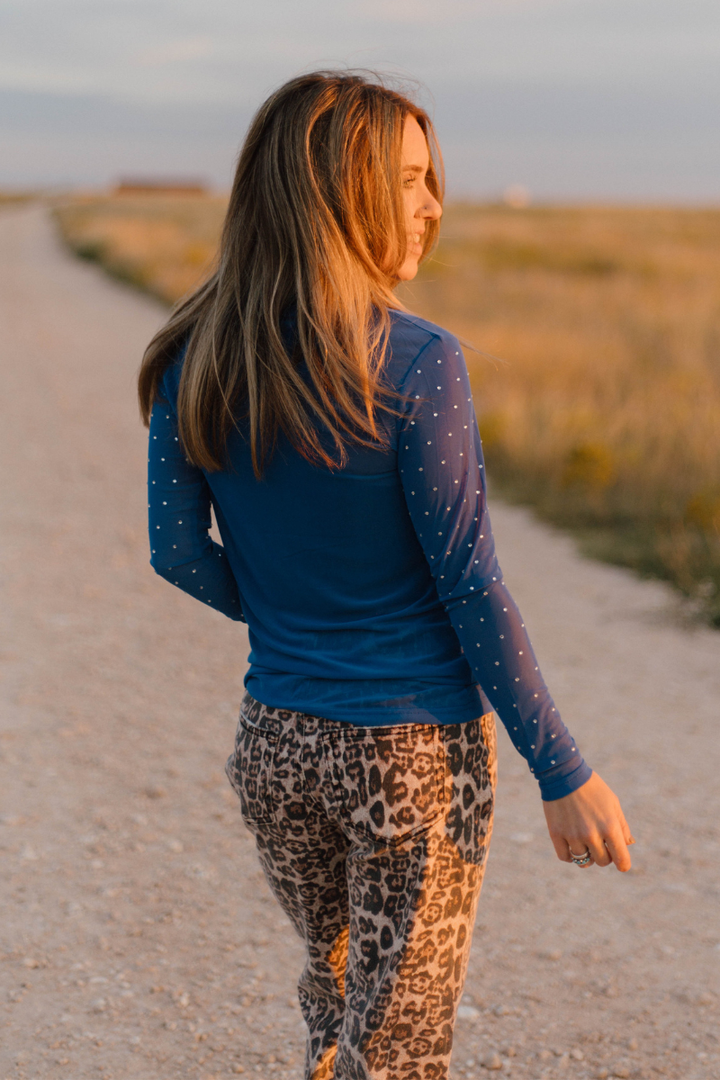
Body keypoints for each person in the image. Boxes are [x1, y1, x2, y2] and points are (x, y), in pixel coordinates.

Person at [138, 71, 634, 1080]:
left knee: (341, 999)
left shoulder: (195, 356)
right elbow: (471, 584)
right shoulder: (416, 362)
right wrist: (563, 770)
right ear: (336, 191)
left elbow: (178, 550)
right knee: (397, 1046)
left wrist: (292, 620)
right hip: (411, 763)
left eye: (429, 178)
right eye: (407, 179)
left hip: (276, 750)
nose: (433, 203)